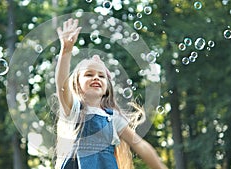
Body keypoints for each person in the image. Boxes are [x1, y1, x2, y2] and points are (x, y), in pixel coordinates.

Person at [54, 18, 167, 169]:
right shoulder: (74, 110)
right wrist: (66, 51)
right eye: (89, 74)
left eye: (101, 76)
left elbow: (141, 145)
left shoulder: (113, 118)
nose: (96, 77)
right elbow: (61, 85)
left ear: (107, 88)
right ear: (76, 84)